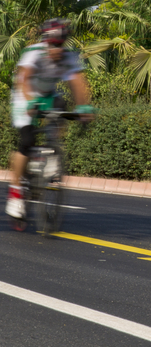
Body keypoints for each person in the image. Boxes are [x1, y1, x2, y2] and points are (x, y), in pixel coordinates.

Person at [6, 18, 94, 220]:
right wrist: (30, 102)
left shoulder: (68, 57)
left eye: (61, 45)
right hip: (24, 95)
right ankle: (16, 192)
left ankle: (52, 151)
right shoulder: (33, 53)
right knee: (27, 141)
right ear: (46, 42)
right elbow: (24, 79)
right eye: (53, 45)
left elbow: (78, 83)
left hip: (48, 95)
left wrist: (84, 106)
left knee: (61, 106)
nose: (57, 49)